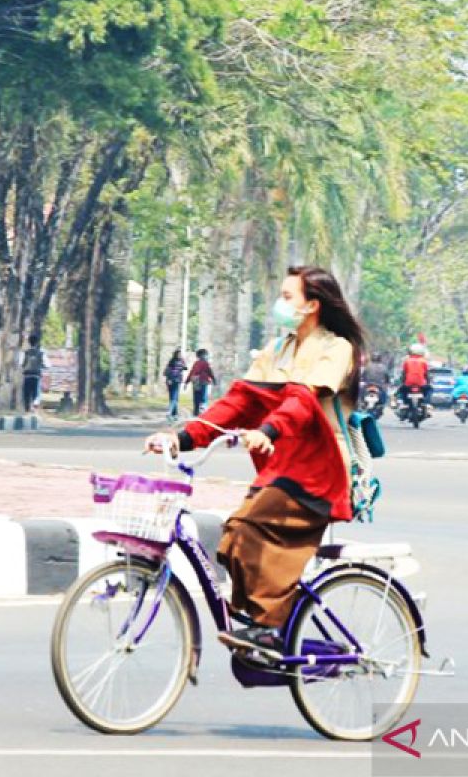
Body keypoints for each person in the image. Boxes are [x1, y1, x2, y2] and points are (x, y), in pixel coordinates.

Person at [146, 265, 363, 656]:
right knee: (233, 541)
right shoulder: (276, 350)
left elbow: (303, 401)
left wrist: (268, 431)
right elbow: (237, 404)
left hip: (320, 472)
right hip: (282, 472)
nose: (279, 304)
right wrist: (181, 437)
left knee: (246, 527)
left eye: (287, 297)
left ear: (312, 305)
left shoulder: (336, 348)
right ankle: (260, 628)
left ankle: (270, 629)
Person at [395, 342, 431, 407]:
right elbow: (426, 374)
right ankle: (426, 403)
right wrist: (428, 382)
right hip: (421, 384)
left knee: (401, 391)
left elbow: (404, 373)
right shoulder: (423, 361)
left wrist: (402, 382)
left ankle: (404, 403)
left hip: (408, 383)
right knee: (430, 389)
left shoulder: (407, 361)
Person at [184, 348, 217, 417]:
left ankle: (196, 412)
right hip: (203, 382)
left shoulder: (196, 363)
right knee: (203, 398)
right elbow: (210, 372)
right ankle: (203, 413)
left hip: (195, 382)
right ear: (203, 355)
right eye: (206, 354)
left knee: (196, 397)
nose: (207, 356)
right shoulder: (205, 363)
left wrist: (186, 382)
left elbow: (191, 373)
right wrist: (214, 380)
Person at [21, 335, 46, 410]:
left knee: (27, 393)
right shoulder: (41, 353)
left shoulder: (26, 353)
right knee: (36, 392)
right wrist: (42, 366)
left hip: (27, 375)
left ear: (29, 342)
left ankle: (27, 407)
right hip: (36, 375)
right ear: (37, 342)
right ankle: (35, 406)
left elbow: (22, 364)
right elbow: (46, 364)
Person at [163, 350, 188, 420]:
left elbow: (166, 372)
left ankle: (175, 414)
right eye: (179, 354)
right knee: (174, 398)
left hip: (169, 381)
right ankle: (170, 412)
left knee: (173, 398)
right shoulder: (181, 361)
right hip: (176, 381)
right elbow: (185, 368)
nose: (180, 355)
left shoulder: (171, 361)